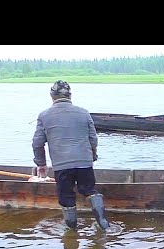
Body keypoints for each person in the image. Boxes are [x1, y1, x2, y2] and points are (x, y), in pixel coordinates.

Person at [32, 80, 117, 233]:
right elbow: (93, 138)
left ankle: (72, 232)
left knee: (66, 198)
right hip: (84, 162)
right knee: (89, 190)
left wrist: (41, 164)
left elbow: (37, 143)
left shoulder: (44, 116)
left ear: (52, 96)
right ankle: (103, 224)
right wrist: (92, 156)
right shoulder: (83, 112)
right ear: (70, 96)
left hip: (62, 165)